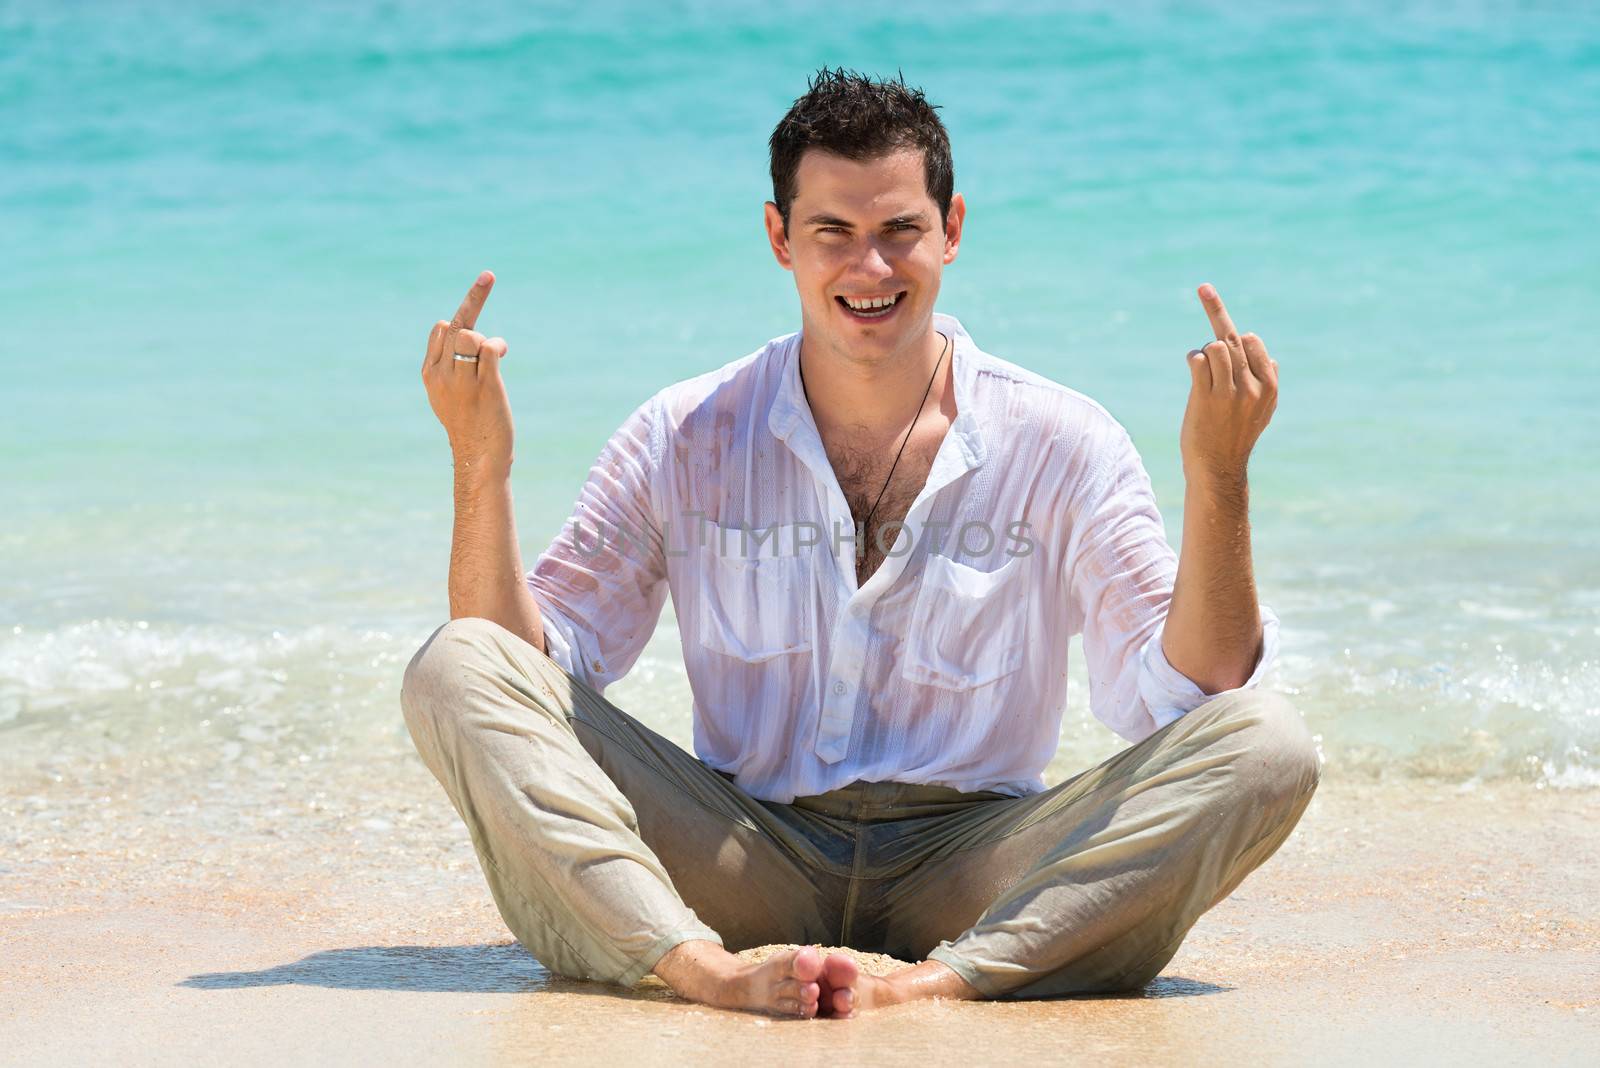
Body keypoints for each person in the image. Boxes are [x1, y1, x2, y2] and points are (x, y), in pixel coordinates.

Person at [400, 67, 1318, 1019]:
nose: (868, 268)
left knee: (1269, 740)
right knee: (457, 662)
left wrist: (1219, 475)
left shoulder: (1063, 440)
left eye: (899, 232)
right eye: (832, 233)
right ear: (779, 238)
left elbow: (1190, 699)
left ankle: (941, 982)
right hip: (742, 851)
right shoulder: (686, 432)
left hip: (977, 865)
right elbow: (531, 669)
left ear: (951, 230)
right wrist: (480, 463)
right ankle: (698, 971)